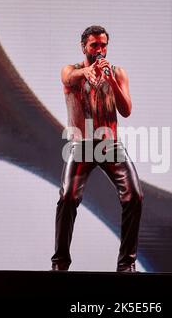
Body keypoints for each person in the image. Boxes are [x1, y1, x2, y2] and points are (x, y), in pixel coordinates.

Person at [51, 25, 143, 272]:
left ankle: (127, 264)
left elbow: (126, 110)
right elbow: (68, 79)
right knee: (68, 197)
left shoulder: (117, 73)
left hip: (110, 144)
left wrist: (111, 80)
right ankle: (60, 264)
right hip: (82, 144)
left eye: (103, 45)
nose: (100, 51)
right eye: (94, 46)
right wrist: (87, 72)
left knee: (134, 195)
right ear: (84, 47)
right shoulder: (71, 70)